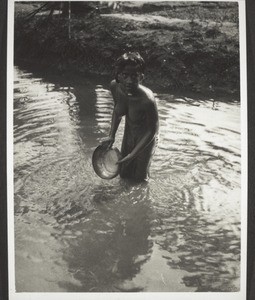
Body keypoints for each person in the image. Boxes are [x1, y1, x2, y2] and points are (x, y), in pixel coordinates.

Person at [101, 52, 159, 182]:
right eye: (125, 75)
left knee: (140, 179)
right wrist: (112, 135)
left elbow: (152, 131)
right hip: (130, 133)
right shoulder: (115, 87)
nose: (129, 81)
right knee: (124, 174)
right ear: (118, 75)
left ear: (141, 77)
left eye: (134, 76)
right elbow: (117, 111)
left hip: (146, 139)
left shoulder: (147, 99)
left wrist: (133, 154)